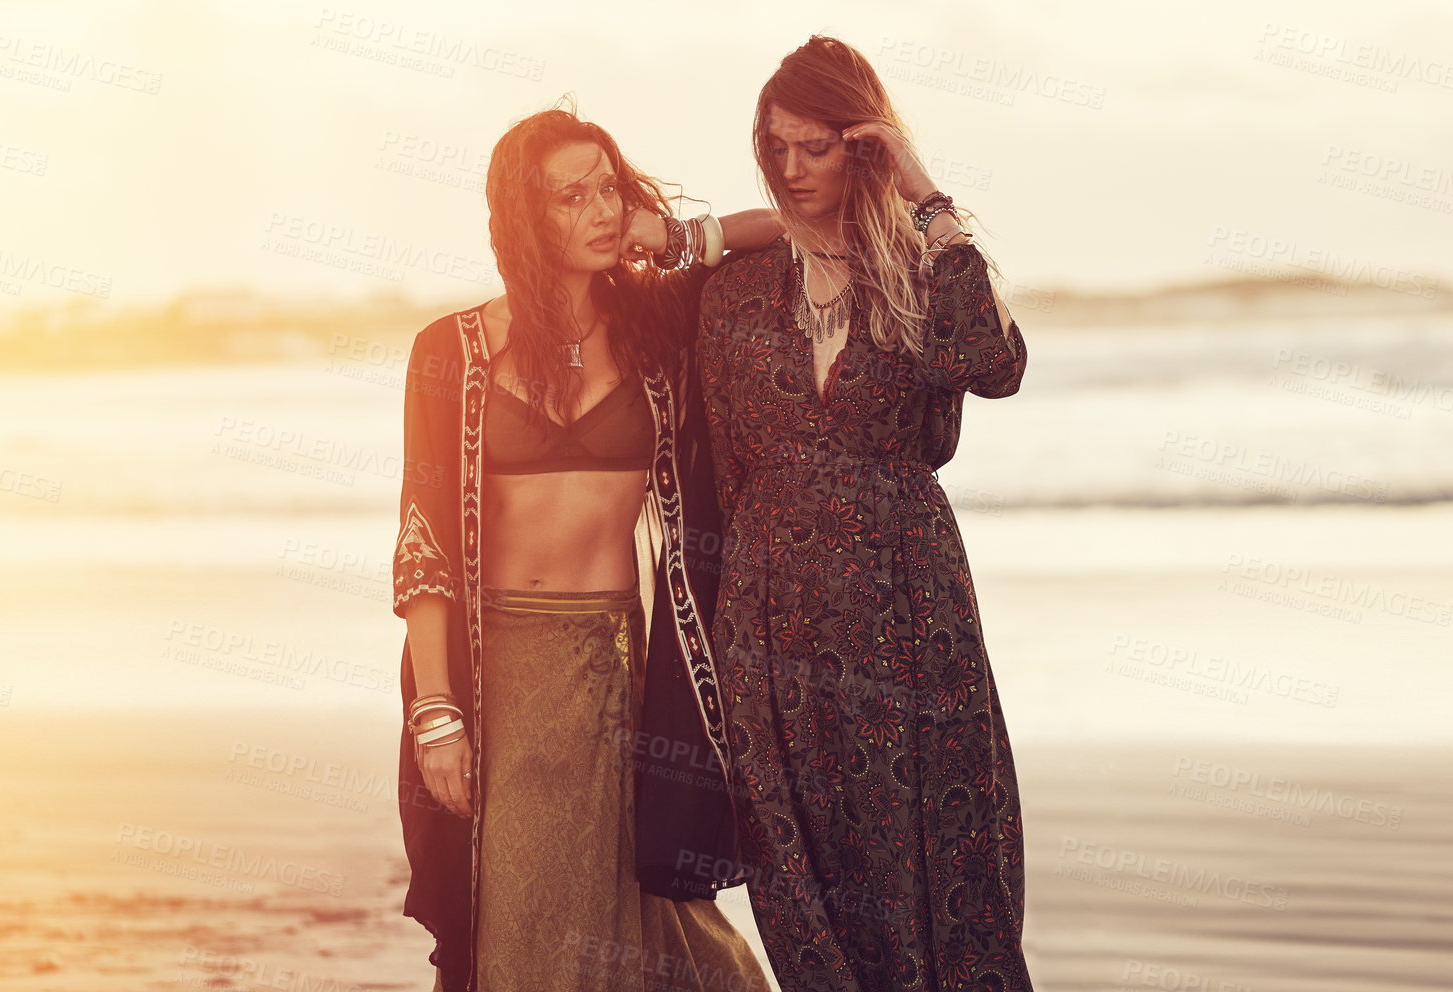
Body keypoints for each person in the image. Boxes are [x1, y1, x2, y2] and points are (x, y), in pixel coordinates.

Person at [392, 103, 780, 992]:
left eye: (609, 186)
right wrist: (438, 712)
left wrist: (679, 235)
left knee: (648, 915)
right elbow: (424, 547)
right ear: (526, 220)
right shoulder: (449, 354)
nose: (601, 210)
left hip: (621, 668)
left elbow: (785, 242)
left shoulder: (658, 329)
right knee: (519, 909)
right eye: (573, 197)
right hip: (498, 682)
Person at [695, 36, 1033, 992]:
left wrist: (925, 197)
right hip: (771, 618)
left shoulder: (919, 277)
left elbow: (993, 365)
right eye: (778, 148)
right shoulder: (735, 293)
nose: (795, 171)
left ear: (865, 145)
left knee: (938, 850)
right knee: (805, 865)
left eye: (819, 146)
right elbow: (720, 468)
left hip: (908, 604)